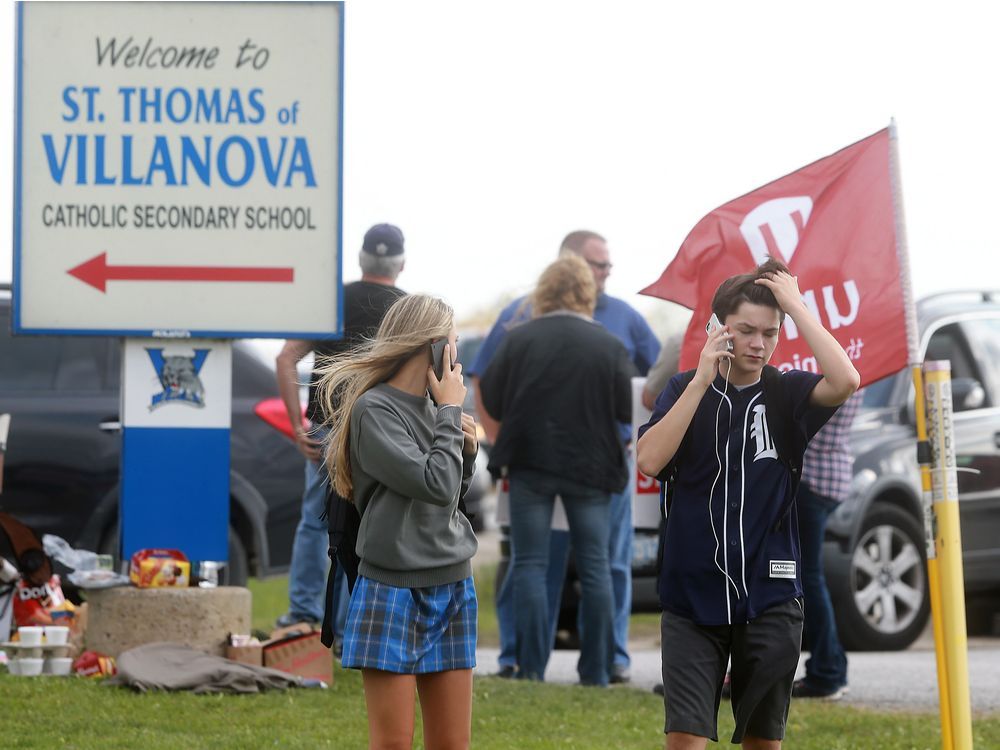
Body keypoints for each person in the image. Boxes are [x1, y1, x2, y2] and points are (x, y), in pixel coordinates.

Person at [636, 258, 859, 750]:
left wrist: (797, 307)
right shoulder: (683, 391)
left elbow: (845, 379)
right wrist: (699, 380)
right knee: (686, 739)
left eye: (770, 333)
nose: (759, 344)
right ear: (719, 329)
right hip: (691, 598)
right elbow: (649, 461)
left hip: (771, 596)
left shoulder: (787, 393)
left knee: (762, 742)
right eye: (745, 331)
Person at [470, 230, 659, 683]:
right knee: (597, 567)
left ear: (546, 289)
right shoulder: (609, 345)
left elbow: (490, 395)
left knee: (531, 565)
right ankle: (595, 670)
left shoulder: (518, 338)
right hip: (594, 469)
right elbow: (624, 408)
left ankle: (530, 668)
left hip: (531, 465)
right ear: (585, 292)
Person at [316, 294, 480, 750]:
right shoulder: (375, 410)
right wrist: (450, 417)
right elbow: (432, 484)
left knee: (452, 743)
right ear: (430, 345)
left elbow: (449, 498)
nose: (457, 354)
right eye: (452, 341)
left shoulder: (438, 411)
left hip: (452, 585)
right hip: (391, 589)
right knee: (393, 743)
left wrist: (466, 452)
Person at [274, 224, 406, 634]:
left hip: (326, 429)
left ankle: (305, 615)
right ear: (401, 264)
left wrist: (298, 426)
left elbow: (285, 358)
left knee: (315, 521)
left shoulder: (332, 301)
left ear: (361, 258)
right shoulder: (406, 310)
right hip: (378, 431)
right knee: (368, 523)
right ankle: (356, 624)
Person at [792, 392, 863, 700]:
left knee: (807, 578)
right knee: (811, 576)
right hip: (833, 476)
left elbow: (803, 428)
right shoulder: (854, 361)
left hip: (811, 479)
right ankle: (833, 666)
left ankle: (826, 673)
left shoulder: (827, 371)